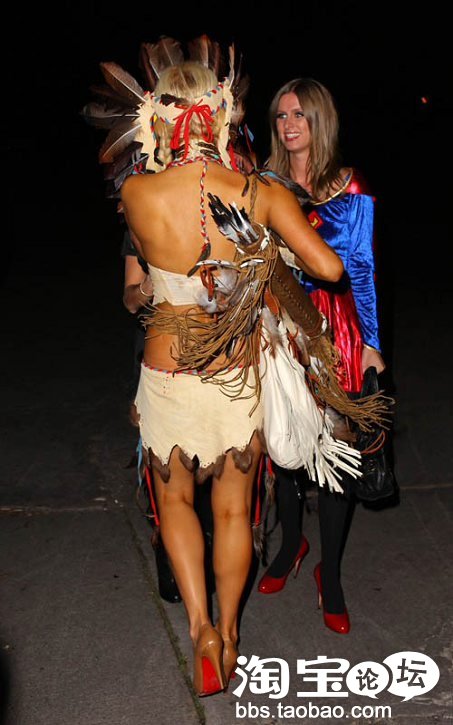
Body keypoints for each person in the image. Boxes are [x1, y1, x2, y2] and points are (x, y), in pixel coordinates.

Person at [118, 57, 345, 696]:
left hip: (166, 371)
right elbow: (329, 270)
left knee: (174, 502)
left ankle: (200, 631)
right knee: (234, 509)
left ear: (158, 118)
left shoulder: (135, 194)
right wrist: (266, 251)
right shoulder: (259, 192)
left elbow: (144, 274)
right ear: (221, 116)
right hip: (234, 375)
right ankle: (231, 631)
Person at [257, 78, 385, 635]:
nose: (290, 125)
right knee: (284, 443)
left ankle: (328, 573)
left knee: (336, 454)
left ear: (320, 120)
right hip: (280, 328)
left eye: (300, 115)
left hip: (337, 332)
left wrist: (373, 345)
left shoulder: (348, 185)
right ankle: (292, 544)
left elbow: (362, 268)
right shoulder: (265, 183)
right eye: (282, 115)